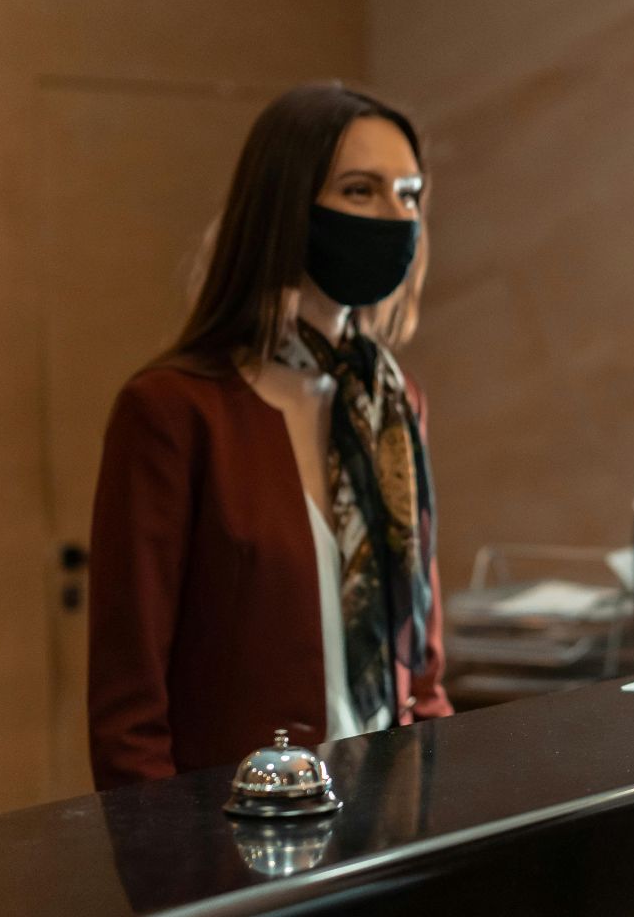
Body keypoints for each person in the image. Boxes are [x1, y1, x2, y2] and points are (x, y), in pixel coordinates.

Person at [87, 83, 451, 791]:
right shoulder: (173, 411)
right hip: (242, 844)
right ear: (286, 208)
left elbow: (424, 661)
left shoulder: (392, 403)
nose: (394, 217)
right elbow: (129, 712)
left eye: (409, 194)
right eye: (359, 191)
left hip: (395, 829)